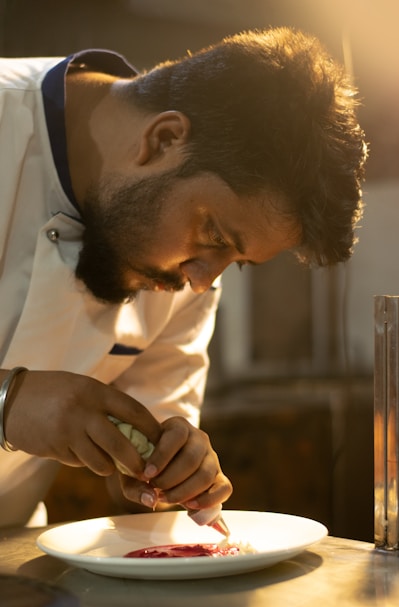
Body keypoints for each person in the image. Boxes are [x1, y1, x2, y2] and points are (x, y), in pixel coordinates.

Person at [0, 26, 367, 528]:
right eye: (214, 235)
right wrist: (8, 402)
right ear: (164, 139)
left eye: (233, 261)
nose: (200, 282)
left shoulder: (183, 274)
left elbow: (151, 456)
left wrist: (173, 469)